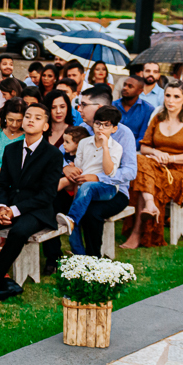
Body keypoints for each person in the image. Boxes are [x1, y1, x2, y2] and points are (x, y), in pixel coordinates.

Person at [0, 103, 63, 301]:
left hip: (36, 209)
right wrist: (2, 206)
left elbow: (46, 195)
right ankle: (2, 276)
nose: (30, 120)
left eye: (37, 118)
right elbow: (3, 184)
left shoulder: (53, 154)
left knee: (19, 232)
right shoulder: (12, 149)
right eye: (28, 116)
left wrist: (14, 210)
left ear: (46, 126)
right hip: (8, 204)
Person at [44, 86, 138, 261]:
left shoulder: (123, 134)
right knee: (53, 201)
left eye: (83, 104)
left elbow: (130, 171)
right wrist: (66, 167)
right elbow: (59, 154)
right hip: (79, 185)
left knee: (92, 212)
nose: (78, 109)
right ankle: (53, 257)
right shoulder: (81, 129)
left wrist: (98, 177)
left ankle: (93, 259)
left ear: (99, 107)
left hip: (113, 190)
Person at [121, 79, 183, 249]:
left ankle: (137, 233)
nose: (171, 100)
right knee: (140, 160)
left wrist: (171, 158)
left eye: (176, 96)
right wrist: (156, 152)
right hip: (156, 167)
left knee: (144, 176)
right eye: (168, 95)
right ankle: (150, 204)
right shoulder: (158, 117)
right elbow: (144, 146)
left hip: (182, 171)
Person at [56, 105, 123, 255]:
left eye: (106, 125)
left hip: (107, 188)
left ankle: (72, 220)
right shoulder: (85, 143)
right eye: (98, 123)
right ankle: (79, 255)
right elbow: (80, 167)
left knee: (85, 191)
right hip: (84, 187)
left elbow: (109, 172)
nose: (101, 128)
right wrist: (73, 168)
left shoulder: (116, 147)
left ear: (114, 129)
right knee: (77, 201)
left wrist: (105, 147)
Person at [113, 72, 153, 142]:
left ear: (139, 91)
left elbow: (142, 136)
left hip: (133, 148)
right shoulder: (113, 105)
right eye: (124, 85)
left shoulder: (147, 109)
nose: (125, 88)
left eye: (130, 86)